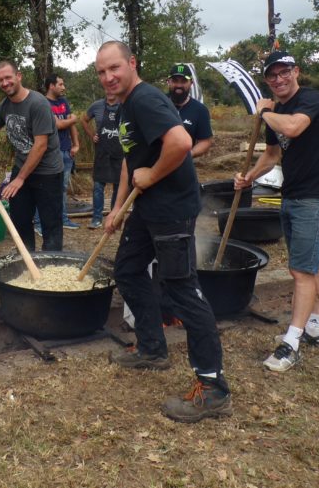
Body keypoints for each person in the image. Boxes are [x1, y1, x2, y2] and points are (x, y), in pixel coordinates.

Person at [96, 41, 231, 423]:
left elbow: (182, 143)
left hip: (171, 208)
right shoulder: (125, 106)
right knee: (127, 269)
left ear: (132, 63)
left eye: (114, 68)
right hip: (146, 206)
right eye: (101, 72)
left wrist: (152, 176)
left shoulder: (145, 99)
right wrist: (118, 207)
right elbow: (131, 162)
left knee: (182, 290)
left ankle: (213, 388)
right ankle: (153, 348)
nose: (108, 78)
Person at [234, 51, 319, 372]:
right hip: (292, 194)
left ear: (297, 72)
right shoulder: (276, 111)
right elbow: (271, 153)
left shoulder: (311, 100)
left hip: (317, 195)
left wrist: (264, 112)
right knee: (311, 263)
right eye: (272, 76)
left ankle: (291, 344)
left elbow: (293, 128)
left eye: (284, 73)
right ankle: (315, 327)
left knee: (301, 272)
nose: (278, 80)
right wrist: (249, 176)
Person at [0, 60, 64, 252]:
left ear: (19, 76)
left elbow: (40, 146)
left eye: (8, 77)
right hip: (22, 169)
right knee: (20, 221)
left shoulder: (38, 103)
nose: (4, 83)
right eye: (0, 80)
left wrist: (19, 179)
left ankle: (52, 270)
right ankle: (26, 265)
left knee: (51, 226)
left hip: (48, 173)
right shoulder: (4, 106)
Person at [45, 74, 81, 230]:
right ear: (51, 86)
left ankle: (63, 219)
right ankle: (45, 221)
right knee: (48, 188)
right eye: (60, 84)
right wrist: (72, 119)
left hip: (66, 151)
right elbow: (57, 125)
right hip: (51, 152)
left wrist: (76, 145)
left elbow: (70, 126)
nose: (63, 87)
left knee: (63, 187)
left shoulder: (64, 102)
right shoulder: (43, 103)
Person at [81, 93, 122, 229]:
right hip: (102, 153)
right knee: (98, 186)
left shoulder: (124, 105)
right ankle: (96, 218)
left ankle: (115, 217)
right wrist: (92, 135)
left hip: (119, 152)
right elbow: (84, 120)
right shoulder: (97, 106)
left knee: (117, 186)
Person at [167, 64, 213, 159]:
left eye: (183, 81)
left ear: (191, 83)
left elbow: (205, 141)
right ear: (168, 82)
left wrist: (190, 154)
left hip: (183, 166)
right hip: (154, 163)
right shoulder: (157, 104)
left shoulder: (200, 110)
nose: (179, 85)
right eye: (175, 81)